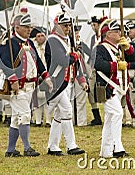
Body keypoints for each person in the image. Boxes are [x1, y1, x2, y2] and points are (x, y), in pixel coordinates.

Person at [0, 12, 52, 157]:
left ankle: (10, 150)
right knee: (25, 115)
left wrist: (45, 76)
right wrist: (13, 79)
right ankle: (27, 147)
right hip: (18, 86)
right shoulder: (9, 43)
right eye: (25, 27)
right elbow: (4, 62)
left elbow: (38, 62)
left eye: (30, 27)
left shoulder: (29, 43)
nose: (29, 30)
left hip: (30, 85)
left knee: (17, 118)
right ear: (17, 27)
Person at [94, 19, 135, 158]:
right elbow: (98, 64)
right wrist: (116, 66)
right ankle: (117, 148)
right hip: (107, 86)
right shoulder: (101, 48)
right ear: (109, 33)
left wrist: (128, 48)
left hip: (118, 87)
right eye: (117, 31)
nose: (120, 34)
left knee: (110, 118)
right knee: (118, 114)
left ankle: (106, 151)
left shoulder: (120, 47)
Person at [44, 12, 87, 156]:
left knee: (59, 115)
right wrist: (75, 55)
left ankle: (53, 146)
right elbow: (62, 60)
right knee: (67, 111)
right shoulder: (53, 40)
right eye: (64, 25)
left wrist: (81, 79)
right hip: (56, 82)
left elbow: (74, 63)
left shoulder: (67, 40)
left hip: (66, 82)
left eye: (69, 25)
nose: (67, 28)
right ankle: (71, 145)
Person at [30, 26, 52, 127]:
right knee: (36, 99)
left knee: (47, 99)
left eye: (42, 35)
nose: (40, 38)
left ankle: (48, 121)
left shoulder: (49, 48)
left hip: (47, 75)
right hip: (36, 75)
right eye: (38, 36)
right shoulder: (33, 48)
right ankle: (38, 121)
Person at [86, 16, 106, 126]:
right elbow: (91, 52)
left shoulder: (104, 37)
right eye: (92, 25)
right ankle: (97, 117)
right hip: (93, 67)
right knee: (91, 91)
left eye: (95, 25)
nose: (93, 27)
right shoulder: (94, 38)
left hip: (103, 67)